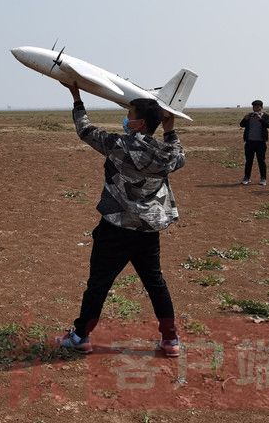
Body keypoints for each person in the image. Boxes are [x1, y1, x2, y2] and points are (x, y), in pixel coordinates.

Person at [57, 83, 185, 357]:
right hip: (147, 230)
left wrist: (77, 98)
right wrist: (170, 129)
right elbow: (179, 156)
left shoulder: (118, 145)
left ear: (139, 124)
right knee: (155, 284)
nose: (126, 119)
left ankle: (80, 337)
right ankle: (170, 339)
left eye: (130, 115)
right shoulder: (165, 154)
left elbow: (85, 130)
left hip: (115, 228)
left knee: (99, 284)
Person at [239, 100, 269, 186]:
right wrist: (245, 118)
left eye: (257, 107)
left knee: (261, 161)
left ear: (261, 107)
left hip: (261, 143)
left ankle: (263, 178)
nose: (255, 108)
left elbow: (268, 125)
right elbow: (241, 124)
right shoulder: (249, 116)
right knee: (248, 161)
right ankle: (247, 177)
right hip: (249, 142)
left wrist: (260, 119)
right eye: (254, 107)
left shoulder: (266, 116)